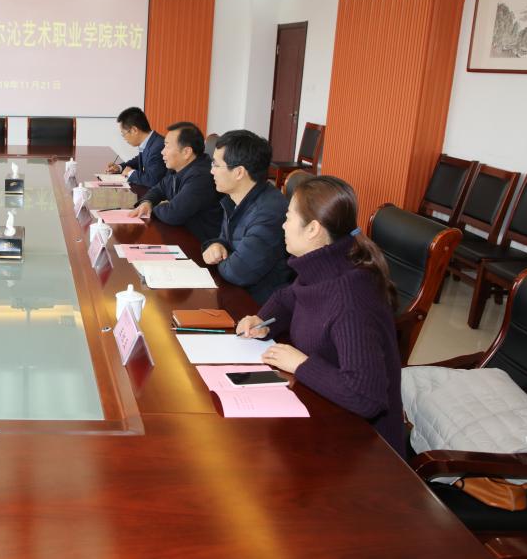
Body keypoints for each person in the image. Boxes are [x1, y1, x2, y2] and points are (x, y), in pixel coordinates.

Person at [236, 176, 404, 455]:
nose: (283, 225)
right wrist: (262, 321)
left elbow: (366, 397)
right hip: (321, 406)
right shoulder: (325, 262)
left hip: (363, 446)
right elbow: (289, 297)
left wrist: (301, 364)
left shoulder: (351, 300)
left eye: (288, 218)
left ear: (313, 229)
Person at [203, 130, 292, 303]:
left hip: (259, 306)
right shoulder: (235, 199)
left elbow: (238, 272)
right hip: (238, 293)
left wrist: (222, 256)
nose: (211, 171)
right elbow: (225, 240)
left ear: (239, 172)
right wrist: (215, 245)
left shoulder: (269, 213)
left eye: (216, 165)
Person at [128, 122, 223, 242]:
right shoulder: (177, 168)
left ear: (186, 152)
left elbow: (173, 213)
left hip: (201, 244)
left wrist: (153, 208)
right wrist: (147, 202)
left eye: (167, 146)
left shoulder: (201, 177)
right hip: (182, 233)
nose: (162, 152)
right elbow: (158, 189)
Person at [105, 107, 166, 188]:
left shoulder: (158, 147)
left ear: (134, 130)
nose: (124, 138)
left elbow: (152, 180)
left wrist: (130, 173)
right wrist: (120, 167)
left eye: (124, 134)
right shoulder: (150, 141)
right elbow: (139, 161)